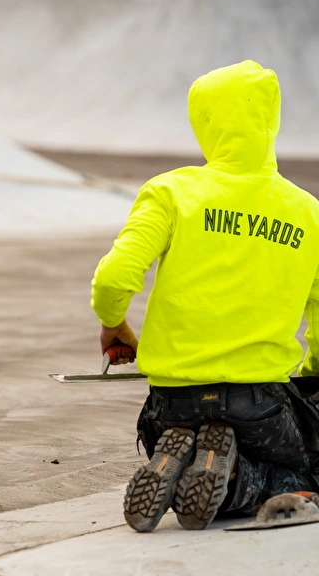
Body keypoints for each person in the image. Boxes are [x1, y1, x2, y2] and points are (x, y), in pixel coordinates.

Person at [91, 60, 319, 532]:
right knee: (305, 473)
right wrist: (312, 376)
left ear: (205, 124)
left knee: (185, 433)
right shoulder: (308, 213)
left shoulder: (172, 192)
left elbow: (115, 277)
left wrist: (115, 325)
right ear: (270, 122)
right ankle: (232, 475)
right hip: (259, 403)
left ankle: (178, 452)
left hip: (171, 403)